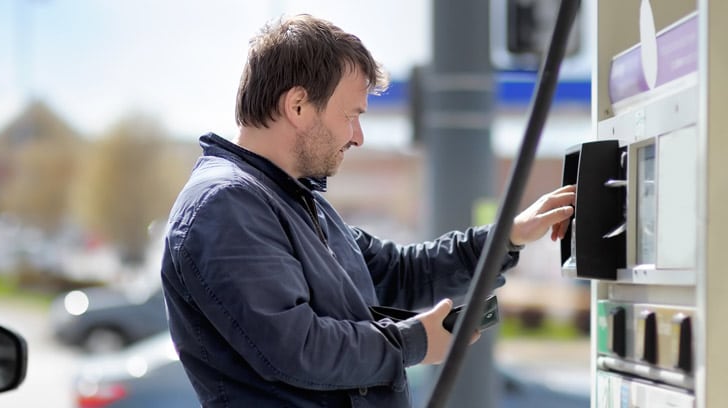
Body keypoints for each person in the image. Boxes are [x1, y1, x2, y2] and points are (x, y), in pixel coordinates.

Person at [160, 14, 576, 407]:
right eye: (352, 116)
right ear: (299, 106)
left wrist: (510, 235)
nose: (358, 136)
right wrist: (414, 342)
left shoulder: (294, 201)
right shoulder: (225, 206)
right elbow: (297, 348)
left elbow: (399, 273)